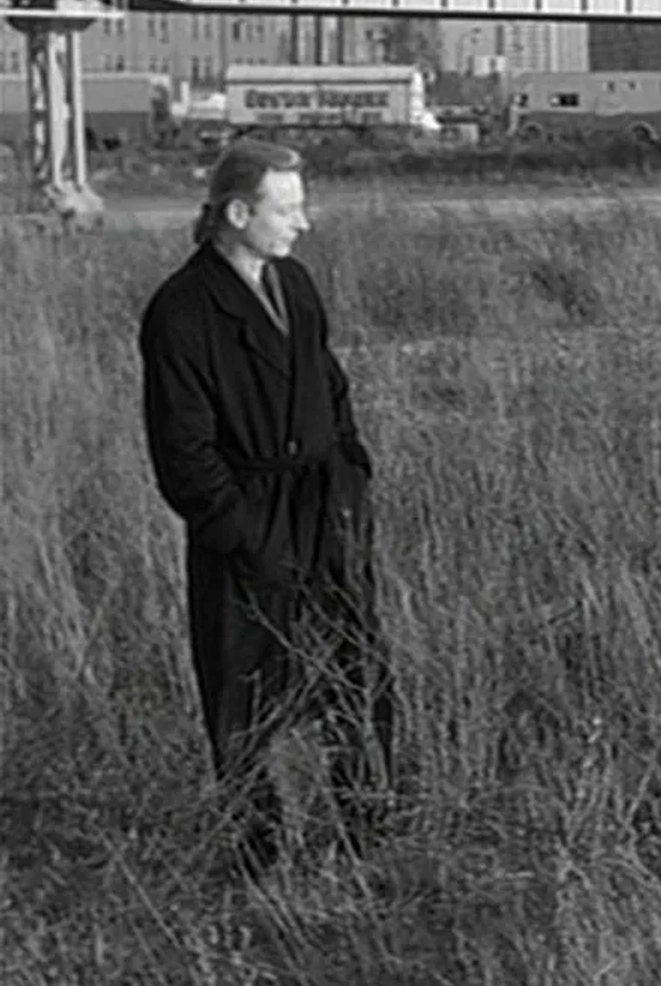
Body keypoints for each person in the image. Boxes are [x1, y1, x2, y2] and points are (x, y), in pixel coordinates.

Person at [140, 140, 395, 878]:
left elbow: (331, 386)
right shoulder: (181, 311)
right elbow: (183, 454)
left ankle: (366, 837)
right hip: (249, 522)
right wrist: (243, 534)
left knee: (360, 674)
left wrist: (350, 475)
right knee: (245, 696)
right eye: (288, 208)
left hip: (325, 509)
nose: (303, 223)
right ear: (238, 211)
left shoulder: (297, 284)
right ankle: (260, 859)